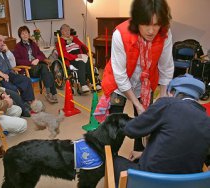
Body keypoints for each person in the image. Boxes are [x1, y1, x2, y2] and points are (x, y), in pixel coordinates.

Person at [101, 0, 174, 152]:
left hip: (145, 83)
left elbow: (166, 66)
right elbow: (120, 76)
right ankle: (110, 157)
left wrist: (164, 94)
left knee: (143, 121)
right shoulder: (120, 34)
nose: (151, 31)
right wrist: (137, 104)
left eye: (156, 24)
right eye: (146, 24)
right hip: (118, 83)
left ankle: (138, 155)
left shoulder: (165, 34)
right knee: (114, 124)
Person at [112, 74, 210, 185]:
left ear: (172, 93)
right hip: (185, 184)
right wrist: (143, 153)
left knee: (115, 161)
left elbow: (130, 130)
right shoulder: (207, 121)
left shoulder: (167, 104)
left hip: (149, 182)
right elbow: (182, 148)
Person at [13, 26, 58, 103]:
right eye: (22, 34)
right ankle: (50, 93)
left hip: (38, 67)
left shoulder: (33, 44)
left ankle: (50, 93)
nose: (25, 35)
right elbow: (17, 60)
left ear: (29, 34)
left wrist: (37, 59)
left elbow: (41, 54)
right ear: (20, 36)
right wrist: (30, 62)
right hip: (28, 69)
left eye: (26, 33)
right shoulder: (18, 46)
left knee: (46, 71)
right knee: (45, 68)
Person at [56, 24, 101, 93]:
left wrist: (88, 51)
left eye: (68, 30)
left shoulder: (74, 38)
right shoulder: (60, 41)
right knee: (81, 63)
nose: (67, 32)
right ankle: (83, 85)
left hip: (80, 56)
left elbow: (82, 45)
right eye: (65, 30)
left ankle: (93, 83)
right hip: (70, 58)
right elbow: (63, 54)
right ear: (61, 32)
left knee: (88, 62)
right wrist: (76, 56)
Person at [0, 34, 35, 104]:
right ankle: (21, 105)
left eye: (3, 41)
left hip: (10, 74)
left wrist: (8, 51)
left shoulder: (4, 51)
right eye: (0, 41)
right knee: (13, 89)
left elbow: (13, 64)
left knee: (26, 80)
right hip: (1, 78)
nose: (2, 43)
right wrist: (2, 74)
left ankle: (28, 101)